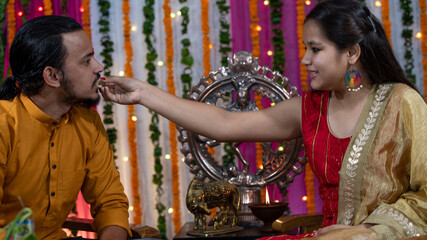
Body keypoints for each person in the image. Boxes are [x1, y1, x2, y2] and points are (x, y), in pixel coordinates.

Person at [100, 0, 427, 239]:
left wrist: (368, 231)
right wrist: (144, 93)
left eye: (315, 49)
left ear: (352, 53)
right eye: (304, 48)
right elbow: (226, 125)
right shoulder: (310, 108)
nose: (305, 59)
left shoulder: (401, 103)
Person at [0, 16, 130, 239]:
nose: (98, 67)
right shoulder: (5, 125)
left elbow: (110, 203)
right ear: (52, 76)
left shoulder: (88, 123)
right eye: (86, 61)